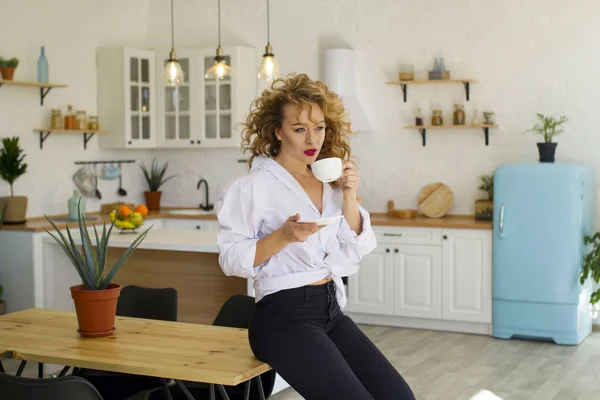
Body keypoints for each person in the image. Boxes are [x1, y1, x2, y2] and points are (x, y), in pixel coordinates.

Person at [216, 73, 416, 400]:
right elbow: (230, 260)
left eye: (319, 127)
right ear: (277, 131)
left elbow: (354, 248)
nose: (313, 139)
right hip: (282, 317)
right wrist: (283, 236)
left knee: (399, 396)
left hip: (330, 310)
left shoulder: (330, 185)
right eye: (299, 129)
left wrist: (350, 195)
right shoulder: (250, 189)